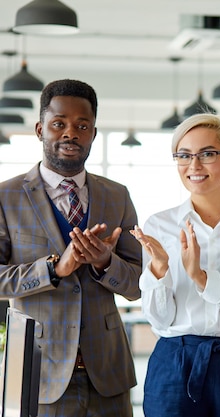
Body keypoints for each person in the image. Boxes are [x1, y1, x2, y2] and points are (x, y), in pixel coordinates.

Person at [0, 79, 142, 416]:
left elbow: (138, 284)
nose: (70, 133)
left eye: (82, 125)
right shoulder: (6, 197)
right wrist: (53, 269)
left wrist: (106, 263)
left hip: (107, 371)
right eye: (58, 124)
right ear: (40, 129)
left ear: (93, 132)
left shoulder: (116, 195)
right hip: (36, 371)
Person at [130, 113, 220, 417]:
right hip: (174, 362)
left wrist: (202, 279)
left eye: (207, 154)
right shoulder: (160, 225)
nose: (194, 166)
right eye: (184, 155)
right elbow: (160, 321)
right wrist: (160, 270)